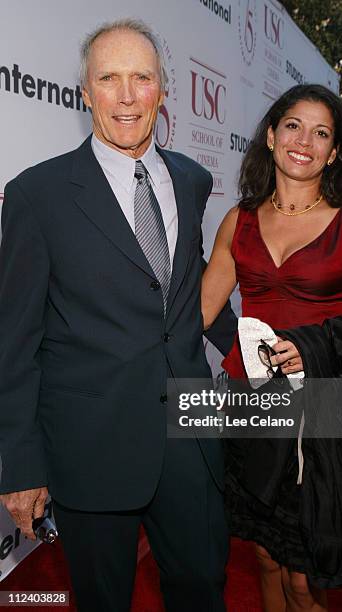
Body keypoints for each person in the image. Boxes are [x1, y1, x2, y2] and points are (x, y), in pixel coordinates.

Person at [0, 19, 236, 612]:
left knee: (202, 587)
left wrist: (262, 349)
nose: (127, 96)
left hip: (191, 432)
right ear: (85, 93)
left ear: (162, 91)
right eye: (109, 79)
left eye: (142, 78)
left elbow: (188, 287)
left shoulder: (191, 179)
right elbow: (15, 342)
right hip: (91, 445)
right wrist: (21, 464)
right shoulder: (37, 194)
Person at [202, 84, 342, 612]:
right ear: (271, 135)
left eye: (322, 133)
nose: (304, 141)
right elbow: (197, 314)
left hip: (321, 420)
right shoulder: (238, 221)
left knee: (304, 576)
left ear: (334, 152)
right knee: (266, 559)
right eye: (293, 125)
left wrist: (315, 348)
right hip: (252, 410)